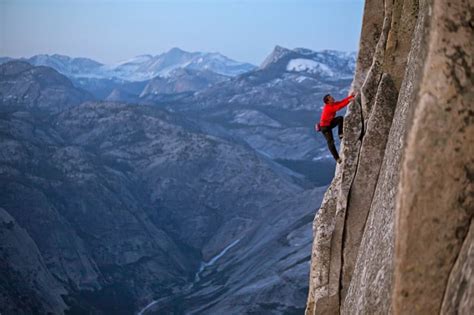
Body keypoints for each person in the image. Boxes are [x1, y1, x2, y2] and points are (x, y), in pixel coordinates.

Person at [317, 93, 355, 163]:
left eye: (331, 96)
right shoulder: (329, 107)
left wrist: (351, 96)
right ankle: (337, 158)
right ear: (328, 101)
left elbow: (341, 102)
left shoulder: (332, 104)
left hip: (329, 124)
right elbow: (339, 107)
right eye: (330, 98)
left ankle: (340, 134)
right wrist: (349, 100)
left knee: (340, 118)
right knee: (331, 142)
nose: (332, 97)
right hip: (325, 127)